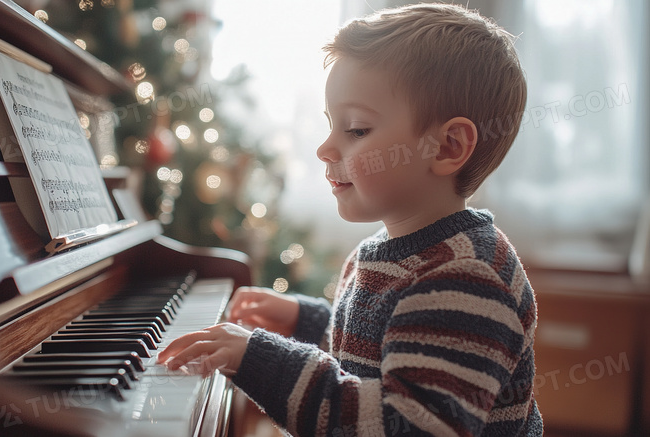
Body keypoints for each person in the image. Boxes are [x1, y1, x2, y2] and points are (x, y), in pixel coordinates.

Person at [157, 3, 543, 436]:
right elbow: (380, 353)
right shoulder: (393, 250)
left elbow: (403, 426)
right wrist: (309, 321)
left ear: (448, 146)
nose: (325, 148)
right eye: (330, 124)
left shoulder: (464, 280)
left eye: (356, 129)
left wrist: (262, 360)